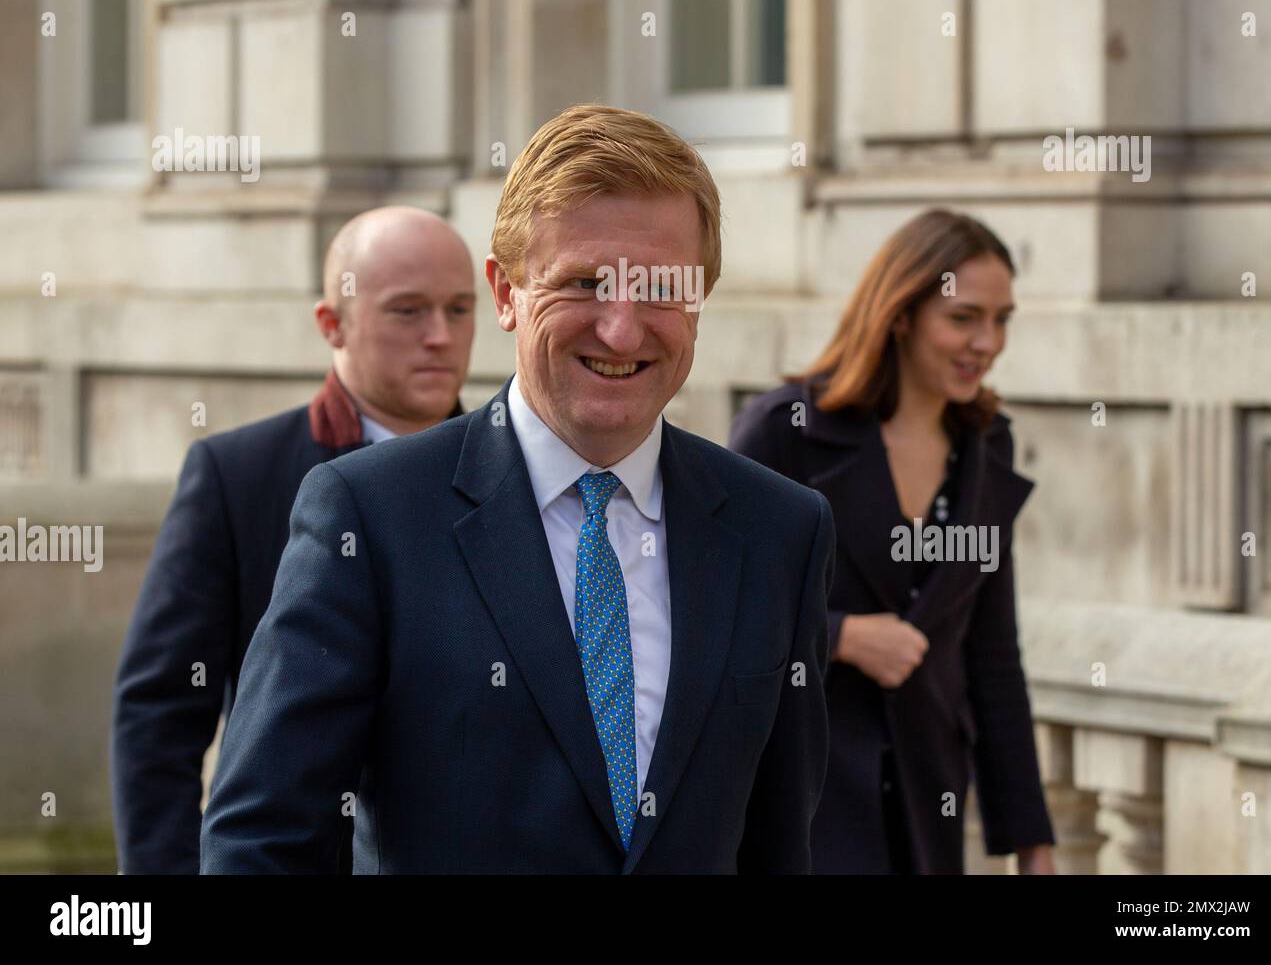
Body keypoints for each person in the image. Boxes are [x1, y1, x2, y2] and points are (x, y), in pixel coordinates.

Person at [199, 104, 835, 874]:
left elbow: (780, 847)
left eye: (662, 287)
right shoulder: (370, 516)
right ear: (505, 293)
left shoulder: (781, 530)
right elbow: (262, 843)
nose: (623, 329)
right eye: (586, 283)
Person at [111, 207, 475, 873]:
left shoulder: (514, 476)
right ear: (330, 324)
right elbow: (158, 715)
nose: (440, 336)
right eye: (407, 310)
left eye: (459, 308)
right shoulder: (236, 474)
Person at [730, 208, 1056, 875]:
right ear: (902, 313)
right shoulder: (785, 428)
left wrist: (1033, 842)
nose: (987, 342)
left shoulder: (986, 448)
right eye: (964, 317)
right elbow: (714, 611)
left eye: (1001, 319)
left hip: (928, 805)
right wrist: (842, 634)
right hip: (805, 803)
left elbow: (994, 656)